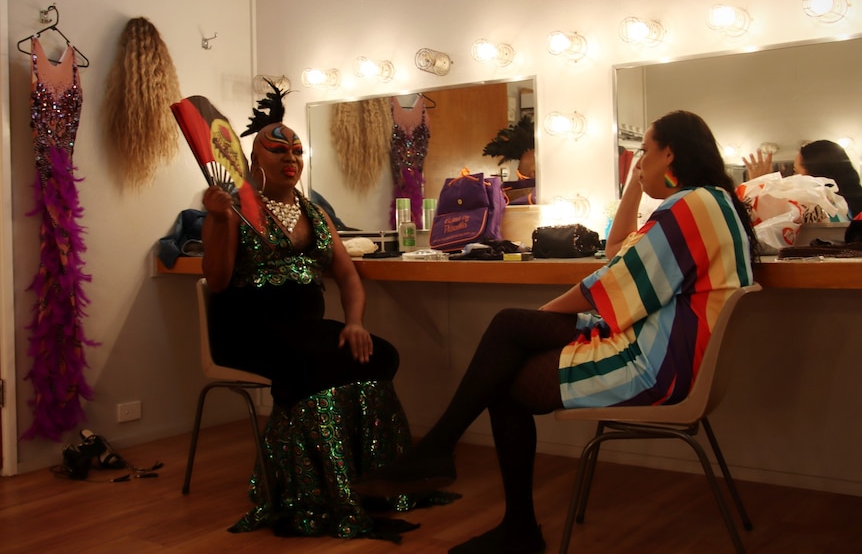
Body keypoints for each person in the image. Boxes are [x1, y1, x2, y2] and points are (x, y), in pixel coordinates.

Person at [353, 110, 759, 554]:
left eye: (644, 150)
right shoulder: (712, 202)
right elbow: (615, 249)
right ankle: (451, 463)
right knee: (509, 350)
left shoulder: (690, 206)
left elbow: (613, 282)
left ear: (670, 153)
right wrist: (632, 187)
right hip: (675, 352)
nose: (640, 160)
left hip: (661, 366)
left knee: (508, 346)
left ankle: (466, 475)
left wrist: (544, 315)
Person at [201, 83, 453, 541]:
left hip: (305, 328)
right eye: (276, 149)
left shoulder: (315, 213)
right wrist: (218, 221)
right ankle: (314, 491)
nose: (289, 157)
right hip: (247, 329)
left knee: (379, 355)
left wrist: (355, 322)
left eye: (296, 149)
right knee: (317, 363)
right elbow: (216, 281)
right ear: (254, 159)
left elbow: (349, 277)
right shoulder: (234, 207)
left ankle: (377, 479)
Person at [743, 140, 862, 218]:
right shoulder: (854, 204)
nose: (793, 177)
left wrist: (759, 187)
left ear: (813, 174)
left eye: (795, 171)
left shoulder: (816, 212)